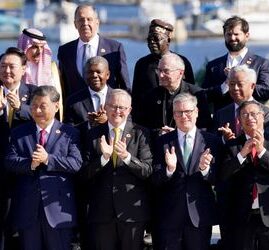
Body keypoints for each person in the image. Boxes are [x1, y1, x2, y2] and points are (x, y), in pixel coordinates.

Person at [4, 85, 82, 250]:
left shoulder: (69, 133)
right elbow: (9, 160)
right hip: (27, 211)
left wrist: (48, 159)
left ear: (56, 106)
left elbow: (76, 163)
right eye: (33, 106)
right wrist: (29, 164)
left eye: (42, 106)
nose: (37, 110)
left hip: (58, 211)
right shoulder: (19, 132)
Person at [80, 89, 152, 250]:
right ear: (105, 107)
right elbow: (83, 173)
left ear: (129, 110)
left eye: (122, 108)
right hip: (101, 212)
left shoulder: (141, 134)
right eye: (113, 106)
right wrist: (103, 158)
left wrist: (127, 157)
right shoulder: (92, 135)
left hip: (132, 213)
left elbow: (147, 170)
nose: (117, 111)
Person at [152, 93, 221, 250]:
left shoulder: (211, 141)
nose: (184, 116)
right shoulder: (162, 142)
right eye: (179, 112)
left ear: (196, 112)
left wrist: (205, 170)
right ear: (174, 115)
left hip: (199, 215)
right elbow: (155, 179)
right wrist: (169, 170)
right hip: (170, 216)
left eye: (188, 111)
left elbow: (219, 178)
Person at [218, 100, 269, 250]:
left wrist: (262, 151)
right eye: (245, 114)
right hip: (241, 216)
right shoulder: (232, 146)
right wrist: (242, 154)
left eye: (254, 114)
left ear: (263, 117)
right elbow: (223, 174)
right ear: (239, 120)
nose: (250, 118)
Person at [0, 47, 37, 250]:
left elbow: (45, 119)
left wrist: (20, 109)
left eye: (12, 67)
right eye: (3, 66)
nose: (7, 71)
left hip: (25, 169)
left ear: (24, 69)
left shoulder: (34, 92)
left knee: (22, 224)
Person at [134, 53, 211, 144]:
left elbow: (205, 127)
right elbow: (141, 125)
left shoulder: (196, 94)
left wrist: (179, 133)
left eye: (166, 71)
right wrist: (158, 132)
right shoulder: (151, 96)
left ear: (180, 73)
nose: (160, 75)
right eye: (159, 70)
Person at [58, 4, 130, 100]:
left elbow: (125, 85)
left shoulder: (114, 48)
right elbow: (62, 87)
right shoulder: (65, 51)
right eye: (81, 20)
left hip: (106, 109)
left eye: (89, 19)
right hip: (75, 112)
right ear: (75, 24)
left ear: (97, 22)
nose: (85, 23)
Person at [202, 16, 269, 112]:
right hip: (222, 121)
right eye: (229, 34)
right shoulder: (213, 66)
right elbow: (204, 96)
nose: (232, 38)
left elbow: (265, 93)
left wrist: (241, 81)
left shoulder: (261, 63)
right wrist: (225, 84)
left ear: (246, 36)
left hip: (250, 120)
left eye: (236, 34)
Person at [132, 19, 195, 119]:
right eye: (149, 39)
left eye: (156, 39)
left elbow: (191, 93)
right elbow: (136, 99)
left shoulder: (182, 62)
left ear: (168, 40)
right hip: (149, 122)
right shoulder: (142, 64)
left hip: (176, 120)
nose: (152, 42)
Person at [213, 65, 269, 142]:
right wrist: (224, 139)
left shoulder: (266, 113)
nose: (235, 88)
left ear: (252, 86)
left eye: (240, 84)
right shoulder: (220, 114)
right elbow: (213, 142)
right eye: (232, 84)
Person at [17, 28, 64, 121]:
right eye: (34, 47)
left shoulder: (52, 70)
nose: (39, 51)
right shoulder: (13, 69)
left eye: (42, 47)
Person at [64, 56, 109, 135]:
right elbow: (67, 130)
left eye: (99, 72)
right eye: (90, 72)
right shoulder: (73, 101)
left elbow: (128, 125)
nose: (94, 75)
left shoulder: (119, 98)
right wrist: (89, 124)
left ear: (107, 74)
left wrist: (107, 121)